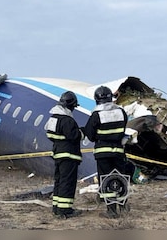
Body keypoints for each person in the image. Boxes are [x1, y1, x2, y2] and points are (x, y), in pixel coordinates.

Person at [84, 86, 129, 219]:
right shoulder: (121, 112)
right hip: (119, 152)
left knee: (107, 179)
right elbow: (123, 129)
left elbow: (90, 135)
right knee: (120, 178)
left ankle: (111, 210)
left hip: (103, 153)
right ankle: (123, 205)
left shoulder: (96, 115)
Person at [44, 91, 84, 219]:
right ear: (71, 106)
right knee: (68, 182)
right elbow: (74, 136)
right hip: (69, 156)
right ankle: (65, 210)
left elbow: (49, 135)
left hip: (58, 154)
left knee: (59, 181)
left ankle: (56, 207)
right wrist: (82, 132)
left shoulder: (53, 118)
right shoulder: (67, 120)